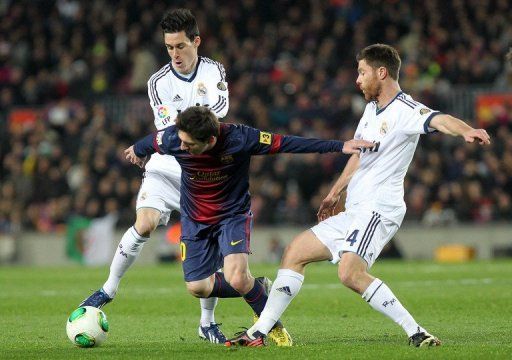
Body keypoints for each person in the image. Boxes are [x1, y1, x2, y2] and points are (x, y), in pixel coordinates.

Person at [225, 43, 491, 348]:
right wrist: (335, 192)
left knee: (349, 273)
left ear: (382, 72)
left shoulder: (406, 110)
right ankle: (260, 332)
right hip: (354, 209)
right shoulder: (370, 110)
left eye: (362, 72)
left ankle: (416, 332)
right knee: (295, 252)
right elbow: (359, 153)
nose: (358, 79)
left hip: (379, 208)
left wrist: (467, 130)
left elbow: (439, 119)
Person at [124, 106, 373, 347]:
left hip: (232, 215)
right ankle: (259, 286)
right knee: (198, 288)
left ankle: (271, 327)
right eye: (181, 141)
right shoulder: (172, 138)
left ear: (210, 140)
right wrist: (136, 149)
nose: (181, 147)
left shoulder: (240, 138)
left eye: (189, 145)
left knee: (238, 277)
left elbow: (286, 143)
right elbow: (149, 143)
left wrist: (339, 146)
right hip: (195, 220)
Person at [79, 9, 232, 344]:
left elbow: (213, 123)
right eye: (168, 47)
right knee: (145, 223)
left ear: (196, 41)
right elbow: (173, 131)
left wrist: (172, 132)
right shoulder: (157, 82)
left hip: (203, 173)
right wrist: (171, 135)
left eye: (180, 46)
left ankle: (207, 322)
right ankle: (108, 288)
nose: (175, 54)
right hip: (166, 166)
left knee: (208, 253)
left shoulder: (214, 70)